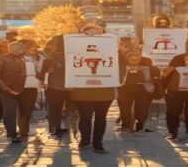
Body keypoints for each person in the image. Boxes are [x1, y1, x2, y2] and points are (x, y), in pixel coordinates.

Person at [70, 23, 115, 154]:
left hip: (104, 89)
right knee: (85, 117)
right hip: (82, 89)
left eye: (97, 33)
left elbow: (121, 66)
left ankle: (98, 143)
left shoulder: (112, 48)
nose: (93, 36)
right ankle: (85, 141)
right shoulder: (73, 48)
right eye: (89, 33)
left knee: (101, 117)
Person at [0, 41, 28, 143]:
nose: (18, 50)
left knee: (19, 112)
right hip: (6, 90)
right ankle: (12, 134)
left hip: (21, 90)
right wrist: (5, 88)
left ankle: (18, 132)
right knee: (10, 112)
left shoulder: (22, 60)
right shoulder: (1, 59)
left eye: (21, 48)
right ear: (9, 49)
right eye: (15, 48)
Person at [117, 50, 161, 133]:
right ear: (127, 59)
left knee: (142, 110)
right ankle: (125, 126)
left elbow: (154, 80)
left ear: (140, 59)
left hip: (143, 90)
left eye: (137, 59)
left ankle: (140, 127)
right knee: (124, 110)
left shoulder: (147, 68)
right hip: (124, 90)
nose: (134, 61)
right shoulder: (121, 69)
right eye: (132, 60)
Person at [39, 35, 71, 136]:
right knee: (68, 109)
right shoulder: (73, 56)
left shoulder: (48, 56)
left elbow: (41, 72)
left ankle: (55, 128)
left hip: (54, 86)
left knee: (54, 109)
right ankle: (66, 127)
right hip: (69, 86)